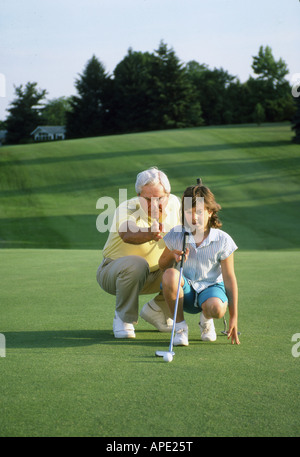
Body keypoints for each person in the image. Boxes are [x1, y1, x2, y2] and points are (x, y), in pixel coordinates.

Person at [96, 167, 181, 338]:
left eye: (159, 198)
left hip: (157, 273)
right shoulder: (127, 208)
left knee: (186, 257)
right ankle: (123, 318)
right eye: (147, 199)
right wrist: (149, 233)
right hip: (114, 273)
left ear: (168, 194)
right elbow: (127, 233)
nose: (154, 204)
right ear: (138, 196)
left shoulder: (175, 204)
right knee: (137, 263)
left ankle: (157, 309)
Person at [159, 181, 240, 346]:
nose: (194, 217)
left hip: (211, 289)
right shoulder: (176, 234)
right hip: (186, 291)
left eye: (200, 212)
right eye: (189, 212)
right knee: (169, 274)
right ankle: (180, 327)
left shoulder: (222, 240)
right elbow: (162, 265)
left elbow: (229, 279)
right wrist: (172, 257)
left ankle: (206, 320)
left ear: (210, 212)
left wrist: (233, 317)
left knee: (217, 309)